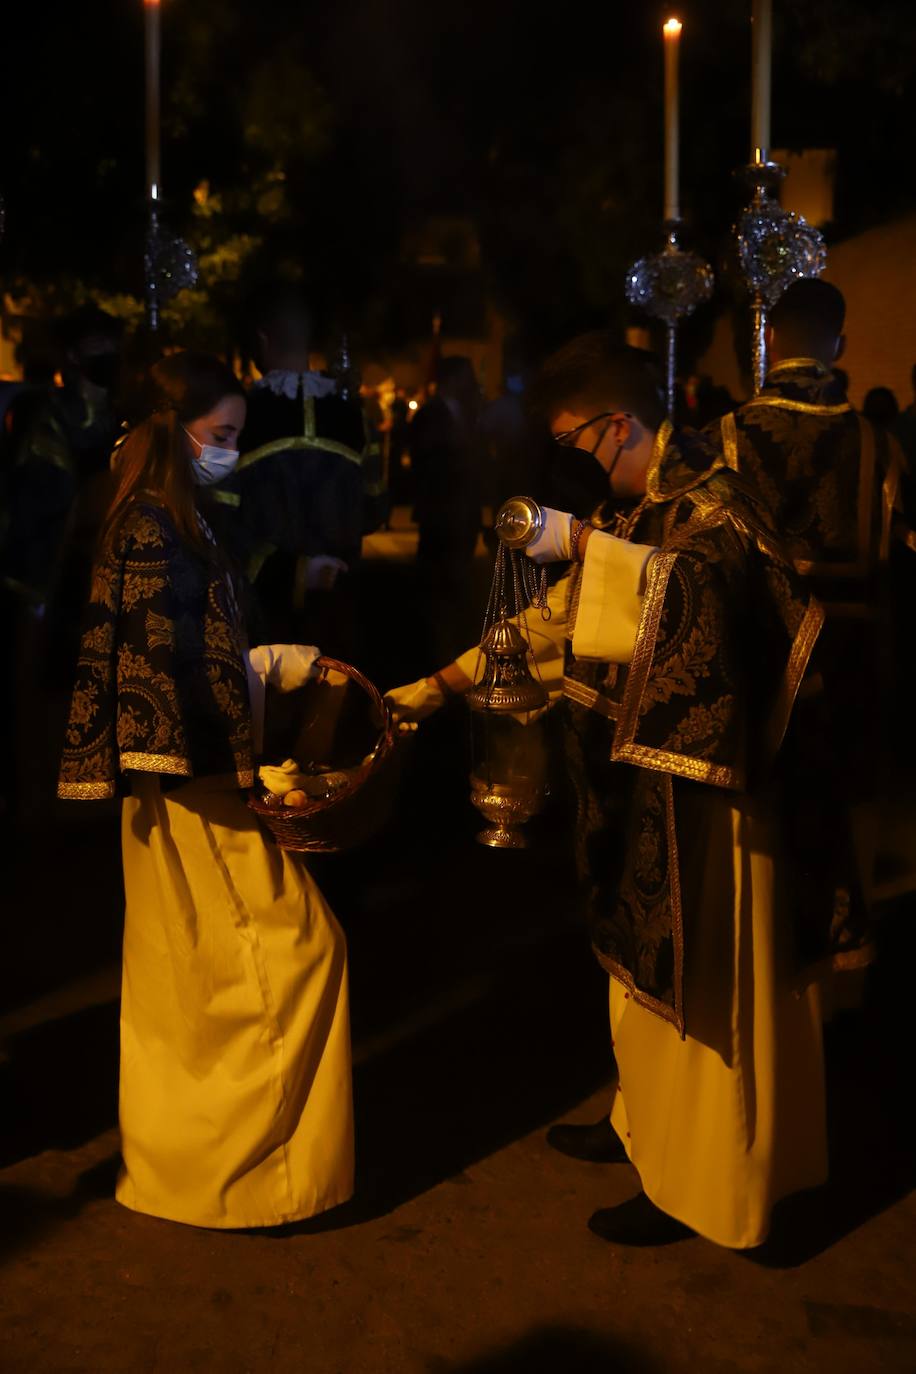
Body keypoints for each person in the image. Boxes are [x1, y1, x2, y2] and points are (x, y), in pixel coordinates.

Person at [388, 338, 870, 1249]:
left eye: (573, 439)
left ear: (617, 425)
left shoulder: (715, 504)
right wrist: (438, 687)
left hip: (719, 803)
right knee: (637, 974)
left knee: (706, 995)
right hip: (652, 791)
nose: (569, 459)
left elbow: (708, 598)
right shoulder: (649, 503)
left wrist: (587, 548)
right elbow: (564, 613)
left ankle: (705, 1185)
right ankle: (642, 1128)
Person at [57, 351, 354, 1229]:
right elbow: (169, 678)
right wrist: (248, 755)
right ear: (168, 430)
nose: (228, 453)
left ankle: (204, 1173)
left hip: (190, 779)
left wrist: (271, 666)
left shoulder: (170, 518)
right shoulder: (151, 526)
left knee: (196, 982)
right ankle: (246, 1179)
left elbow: (202, 652)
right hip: (193, 788)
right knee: (296, 954)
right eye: (219, 436)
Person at [709, 279, 914, 906]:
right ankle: (844, 976)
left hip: (758, 659)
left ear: (768, 338)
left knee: (763, 833)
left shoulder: (725, 436)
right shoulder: (880, 446)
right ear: (841, 344)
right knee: (847, 819)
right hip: (850, 660)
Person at [227, 284, 385, 656]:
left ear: (262, 340)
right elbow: (376, 511)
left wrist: (291, 570)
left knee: (270, 705)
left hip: (266, 610)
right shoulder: (355, 415)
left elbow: (223, 525)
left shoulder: (238, 415)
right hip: (338, 605)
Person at [409, 355, 484, 663]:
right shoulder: (430, 414)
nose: (472, 383)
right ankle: (433, 648)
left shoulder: (466, 413)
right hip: (440, 511)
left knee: (457, 580)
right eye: (467, 376)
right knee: (437, 580)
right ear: (453, 379)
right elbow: (425, 460)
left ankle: (455, 643)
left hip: (462, 511)